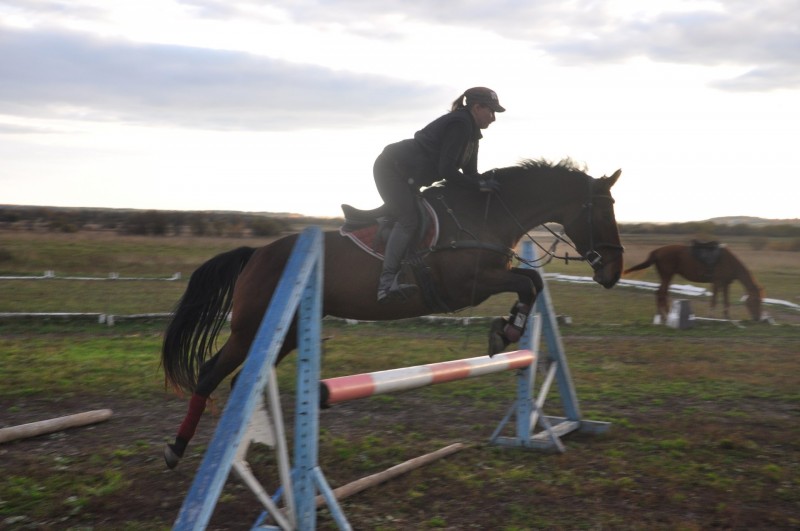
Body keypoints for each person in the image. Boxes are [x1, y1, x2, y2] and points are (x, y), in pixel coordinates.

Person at [373, 86, 505, 304]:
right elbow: (447, 171)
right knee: (409, 220)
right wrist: (479, 185)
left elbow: (471, 174)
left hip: (406, 177)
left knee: (417, 215)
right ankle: (385, 284)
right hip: (391, 169)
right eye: (491, 111)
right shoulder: (460, 124)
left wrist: (487, 183)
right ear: (476, 107)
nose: (493, 118)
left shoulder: (472, 134)